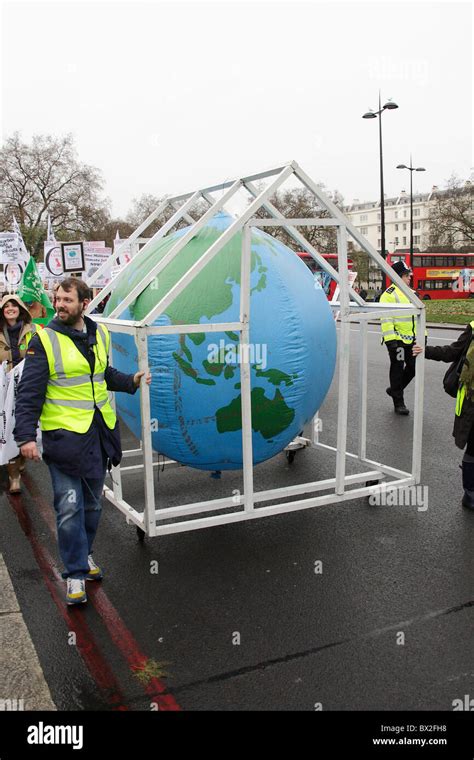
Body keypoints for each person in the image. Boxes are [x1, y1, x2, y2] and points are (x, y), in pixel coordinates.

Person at [14, 277, 152, 605]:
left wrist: (131, 380)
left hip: (98, 436)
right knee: (68, 507)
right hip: (63, 440)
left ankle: (84, 555)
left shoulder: (99, 332)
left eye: (67, 300)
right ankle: (74, 574)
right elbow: (29, 393)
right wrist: (24, 437)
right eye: (57, 299)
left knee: (91, 506)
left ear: (84, 303)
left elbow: (103, 375)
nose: (59, 305)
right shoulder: (43, 340)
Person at [413, 323, 474, 511]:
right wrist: (426, 351)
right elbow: (453, 352)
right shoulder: (473, 327)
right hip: (472, 399)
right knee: (473, 446)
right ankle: (470, 493)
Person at [0, 294, 38, 492]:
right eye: (6, 306)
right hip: (3, 390)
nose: (10, 308)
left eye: (14, 305)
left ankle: (21, 456)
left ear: (21, 308)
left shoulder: (34, 331)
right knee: (6, 428)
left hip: (26, 386)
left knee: (23, 423)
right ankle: (13, 475)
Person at [380, 260, 423, 415]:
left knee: (413, 368)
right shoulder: (389, 295)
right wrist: (391, 341)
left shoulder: (413, 294)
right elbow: (386, 319)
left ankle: (394, 390)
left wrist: (422, 337)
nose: (409, 278)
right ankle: (399, 403)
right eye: (406, 275)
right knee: (397, 369)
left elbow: (420, 318)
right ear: (397, 277)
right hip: (397, 341)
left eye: (409, 275)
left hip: (412, 341)